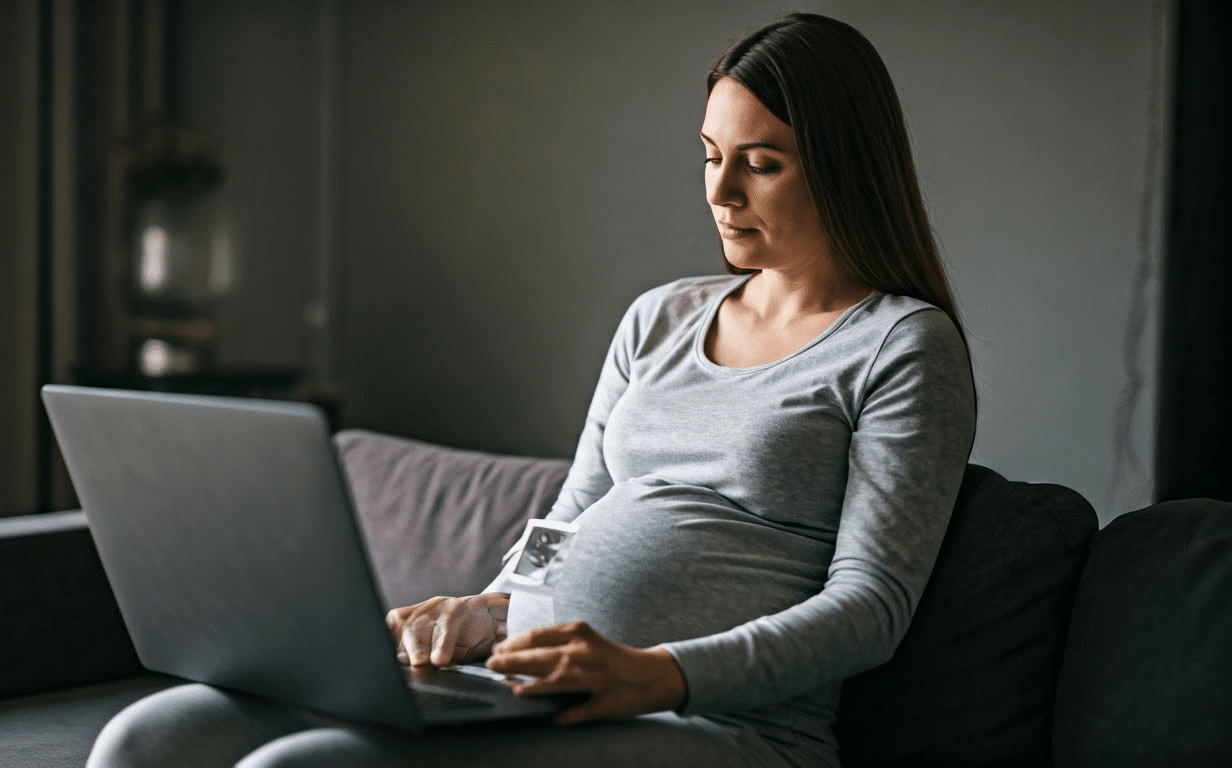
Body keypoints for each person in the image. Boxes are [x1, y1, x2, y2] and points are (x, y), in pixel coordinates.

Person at [87, 12, 976, 768]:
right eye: (709, 155)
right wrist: (488, 605)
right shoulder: (659, 317)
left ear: (843, 164)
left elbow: (871, 608)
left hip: (716, 725)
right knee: (156, 735)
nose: (720, 191)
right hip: (522, 683)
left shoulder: (902, 346)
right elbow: (570, 516)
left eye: (763, 163)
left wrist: (661, 670)